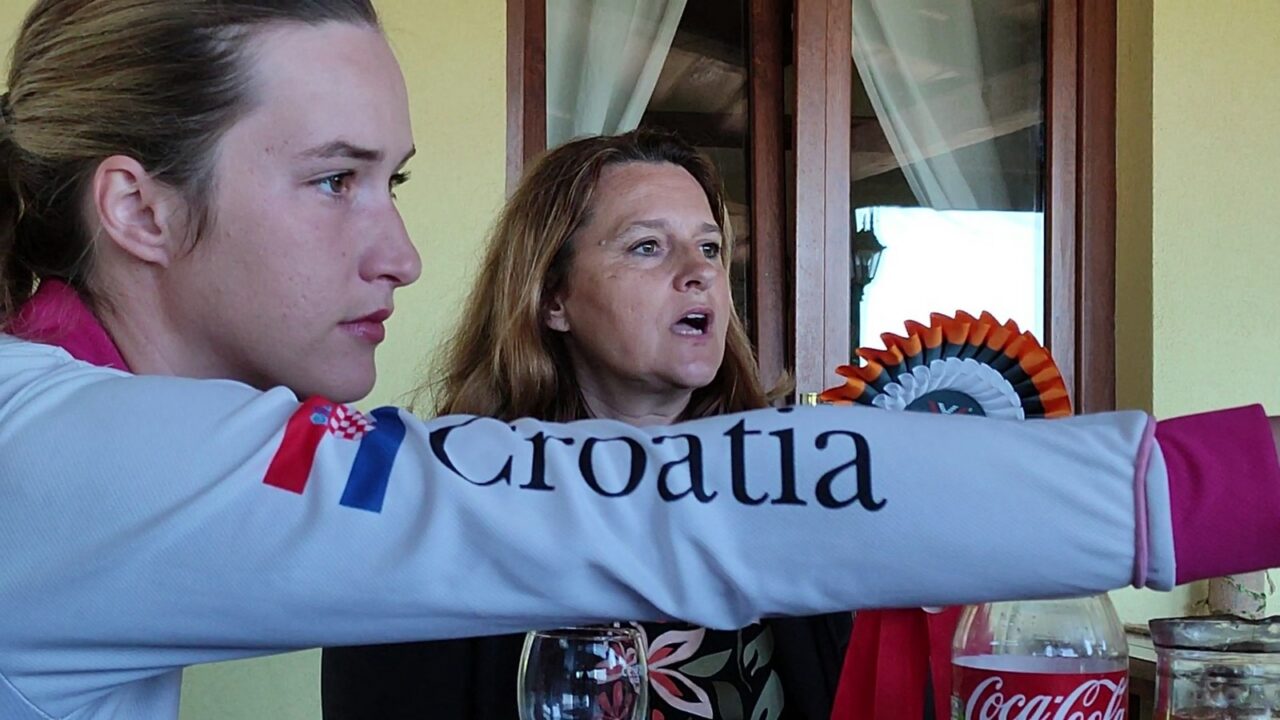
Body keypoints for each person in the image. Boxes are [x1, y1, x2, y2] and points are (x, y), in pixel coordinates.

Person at [2, 2, 1279, 720]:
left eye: (391, 184)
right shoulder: (60, 458)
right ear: (140, 208)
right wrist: (1222, 481)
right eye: (333, 181)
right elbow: (679, 506)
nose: (399, 254)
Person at [322, 129, 852, 720]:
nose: (698, 272)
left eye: (709, 248)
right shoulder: (434, 510)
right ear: (553, 298)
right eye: (647, 246)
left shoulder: (794, 486)